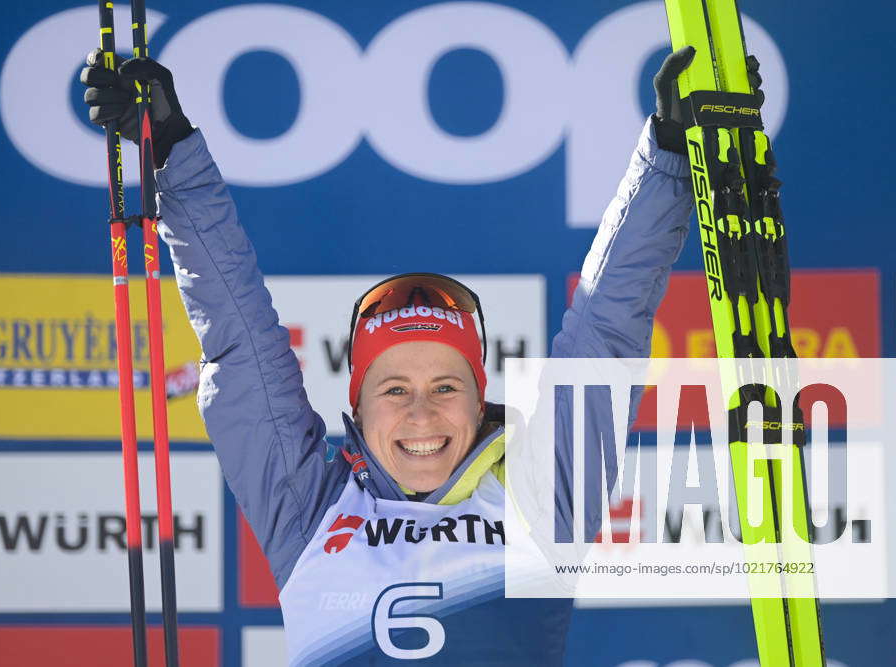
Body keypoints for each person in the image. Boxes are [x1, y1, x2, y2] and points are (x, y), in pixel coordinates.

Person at [81, 44, 760, 665]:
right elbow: (241, 333)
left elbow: (608, 327)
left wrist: (669, 155)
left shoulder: (541, 497)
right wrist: (170, 151)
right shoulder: (307, 507)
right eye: (394, 388)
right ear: (357, 403)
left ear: (479, 395)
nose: (422, 415)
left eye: (445, 386)